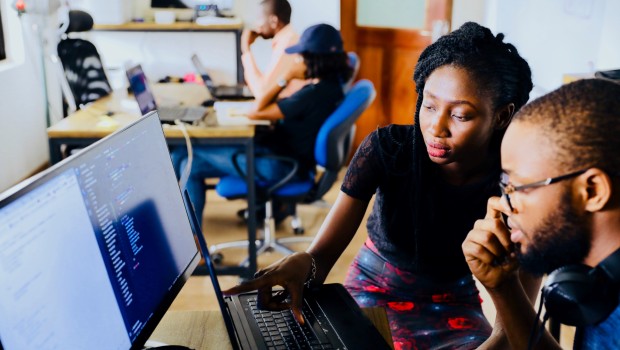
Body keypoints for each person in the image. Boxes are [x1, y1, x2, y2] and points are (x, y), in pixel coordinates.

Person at [224, 22, 535, 349]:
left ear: (501, 116)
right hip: (373, 288)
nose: (436, 127)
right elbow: (322, 257)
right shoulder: (388, 150)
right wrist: (306, 262)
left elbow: (511, 327)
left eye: (460, 115)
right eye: (428, 106)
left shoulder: (518, 184)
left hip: (454, 303)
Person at [462, 78, 620, 349]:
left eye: (518, 186)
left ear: (592, 191)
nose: (503, 204)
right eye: (504, 185)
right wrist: (504, 288)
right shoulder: (598, 281)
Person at [172, 23, 353, 219]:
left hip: (279, 166)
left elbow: (257, 111)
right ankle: (192, 237)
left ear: (314, 59)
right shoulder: (331, 87)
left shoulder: (313, 95)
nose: (297, 59)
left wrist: (286, 77)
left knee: (184, 154)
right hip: (286, 160)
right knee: (189, 164)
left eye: (301, 55)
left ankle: (183, 231)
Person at [241, 0, 306, 99]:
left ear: (273, 21)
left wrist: (246, 49)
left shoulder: (287, 45)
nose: (256, 25)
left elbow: (262, 93)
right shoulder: (288, 39)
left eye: (259, 18)